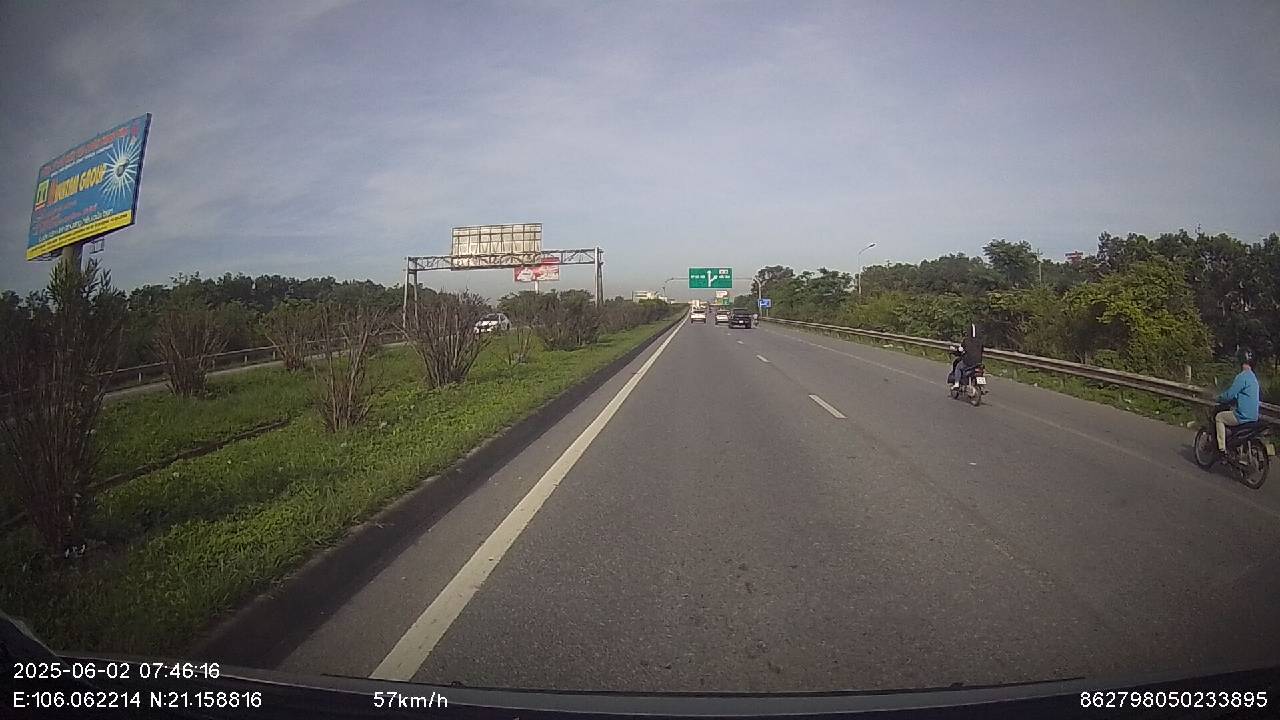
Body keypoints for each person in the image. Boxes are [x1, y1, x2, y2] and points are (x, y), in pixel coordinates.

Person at [1215, 348, 1261, 452]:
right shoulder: (1253, 378)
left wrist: (1219, 398)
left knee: (1219, 417)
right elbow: (1243, 395)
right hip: (1254, 417)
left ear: (1240, 360)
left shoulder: (1242, 377)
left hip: (1242, 416)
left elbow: (1229, 395)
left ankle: (1221, 448)